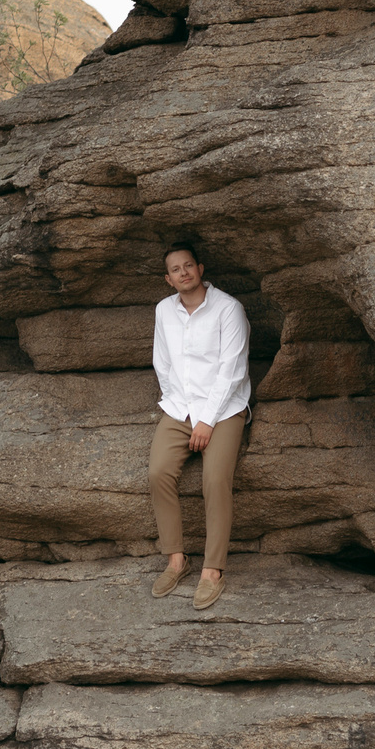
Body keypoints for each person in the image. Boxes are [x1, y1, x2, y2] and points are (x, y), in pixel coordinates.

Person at [149, 242, 250, 610]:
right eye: (175, 269)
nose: (183, 273)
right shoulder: (164, 310)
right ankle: (176, 559)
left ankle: (212, 571)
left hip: (223, 410)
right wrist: (182, 409)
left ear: (200, 268)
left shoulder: (228, 309)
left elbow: (232, 370)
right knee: (158, 471)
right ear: (168, 278)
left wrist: (206, 420)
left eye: (188, 266)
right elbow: (162, 361)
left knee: (215, 479)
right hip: (180, 407)